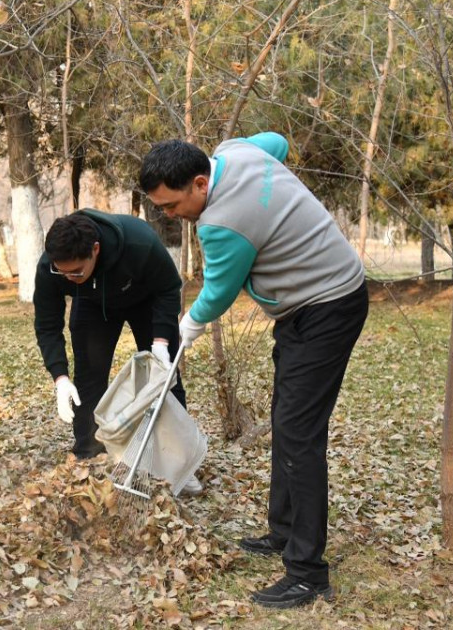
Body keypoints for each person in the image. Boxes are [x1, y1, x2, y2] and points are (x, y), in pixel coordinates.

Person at [140, 133, 368, 609]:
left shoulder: (222, 223)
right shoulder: (238, 151)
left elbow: (219, 292)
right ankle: (283, 534)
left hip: (326, 307)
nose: (169, 214)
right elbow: (281, 142)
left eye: (173, 203)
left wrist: (188, 325)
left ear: (201, 183)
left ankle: (307, 573)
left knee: (298, 435)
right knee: (288, 422)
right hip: (309, 303)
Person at [32, 211, 196, 491]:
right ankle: (89, 455)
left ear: (95, 250)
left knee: (165, 378)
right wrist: (60, 378)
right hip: (93, 304)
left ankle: (178, 464)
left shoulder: (139, 243)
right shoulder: (51, 266)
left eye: (75, 272)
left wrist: (160, 343)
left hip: (146, 299)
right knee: (89, 378)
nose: (67, 277)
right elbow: (48, 325)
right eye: (62, 272)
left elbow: (169, 288)